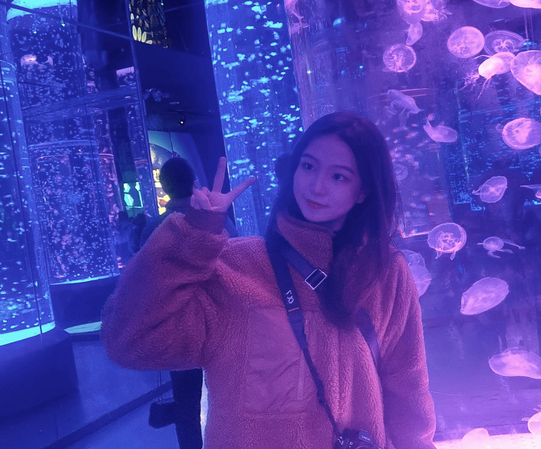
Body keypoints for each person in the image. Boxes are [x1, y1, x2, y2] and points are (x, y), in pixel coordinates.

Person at [102, 112, 436, 449]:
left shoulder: (384, 271)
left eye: (338, 176)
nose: (317, 186)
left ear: (363, 190)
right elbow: (130, 342)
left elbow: (408, 387)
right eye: (308, 166)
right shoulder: (237, 266)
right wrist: (193, 235)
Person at [140, 157, 236, 449]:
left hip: (178, 331)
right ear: (195, 182)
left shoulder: (155, 229)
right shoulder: (220, 221)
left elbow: (146, 284)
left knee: (186, 403)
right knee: (230, 395)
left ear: (165, 187)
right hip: (223, 324)